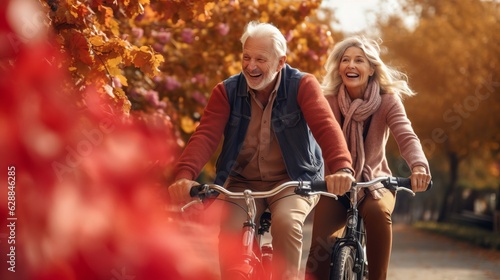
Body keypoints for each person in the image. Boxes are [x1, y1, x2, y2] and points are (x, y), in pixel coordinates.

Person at [167, 21, 355, 279]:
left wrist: (342, 167)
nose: (250, 66)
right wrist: (184, 175)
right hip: (242, 182)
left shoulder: (302, 86)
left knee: (286, 223)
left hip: (293, 180)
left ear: (280, 62)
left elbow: (325, 127)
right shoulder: (226, 91)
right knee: (231, 233)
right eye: (246, 57)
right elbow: (205, 136)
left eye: (260, 59)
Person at [305, 36, 432, 280]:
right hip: (335, 185)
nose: (350, 65)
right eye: (345, 60)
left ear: (372, 68)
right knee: (319, 251)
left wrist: (418, 166)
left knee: (376, 213)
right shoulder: (328, 101)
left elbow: (406, 135)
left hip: (375, 183)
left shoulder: (388, 101)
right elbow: (310, 139)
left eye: (358, 60)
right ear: (338, 67)